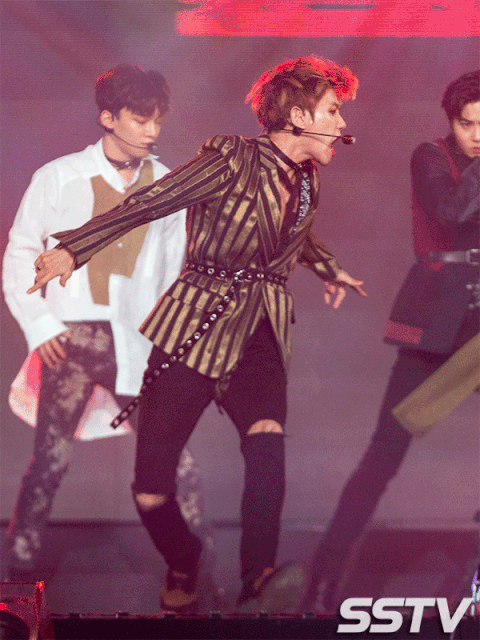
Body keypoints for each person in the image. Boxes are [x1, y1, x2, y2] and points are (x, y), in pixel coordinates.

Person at [27, 55, 367, 613]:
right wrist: (73, 249)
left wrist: (329, 268)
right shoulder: (232, 158)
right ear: (300, 116)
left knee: (266, 440)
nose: (341, 122)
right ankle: (184, 562)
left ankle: (257, 579)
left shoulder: (306, 180)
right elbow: (152, 201)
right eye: (332, 110)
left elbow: (293, 234)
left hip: (260, 328)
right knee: (150, 490)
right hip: (195, 326)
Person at [1, 64, 209, 583]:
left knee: (175, 462)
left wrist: (170, 341)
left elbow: (175, 268)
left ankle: (196, 570)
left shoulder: (168, 184)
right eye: (140, 118)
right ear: (108, 117)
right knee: (50, 461)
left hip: (139, 342)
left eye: (157, 119)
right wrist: (40, 324)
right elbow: (20, 252)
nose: (152, 130)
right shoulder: (58, 177)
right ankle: (16, 576)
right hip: (72, 339)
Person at [302, 70, 480, 613]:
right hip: (435, 323)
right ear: (451, 122)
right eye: (469, 124)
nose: (478, 135)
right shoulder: (430, 157)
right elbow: (452, 211)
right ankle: (323, 579)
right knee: (384, 455)